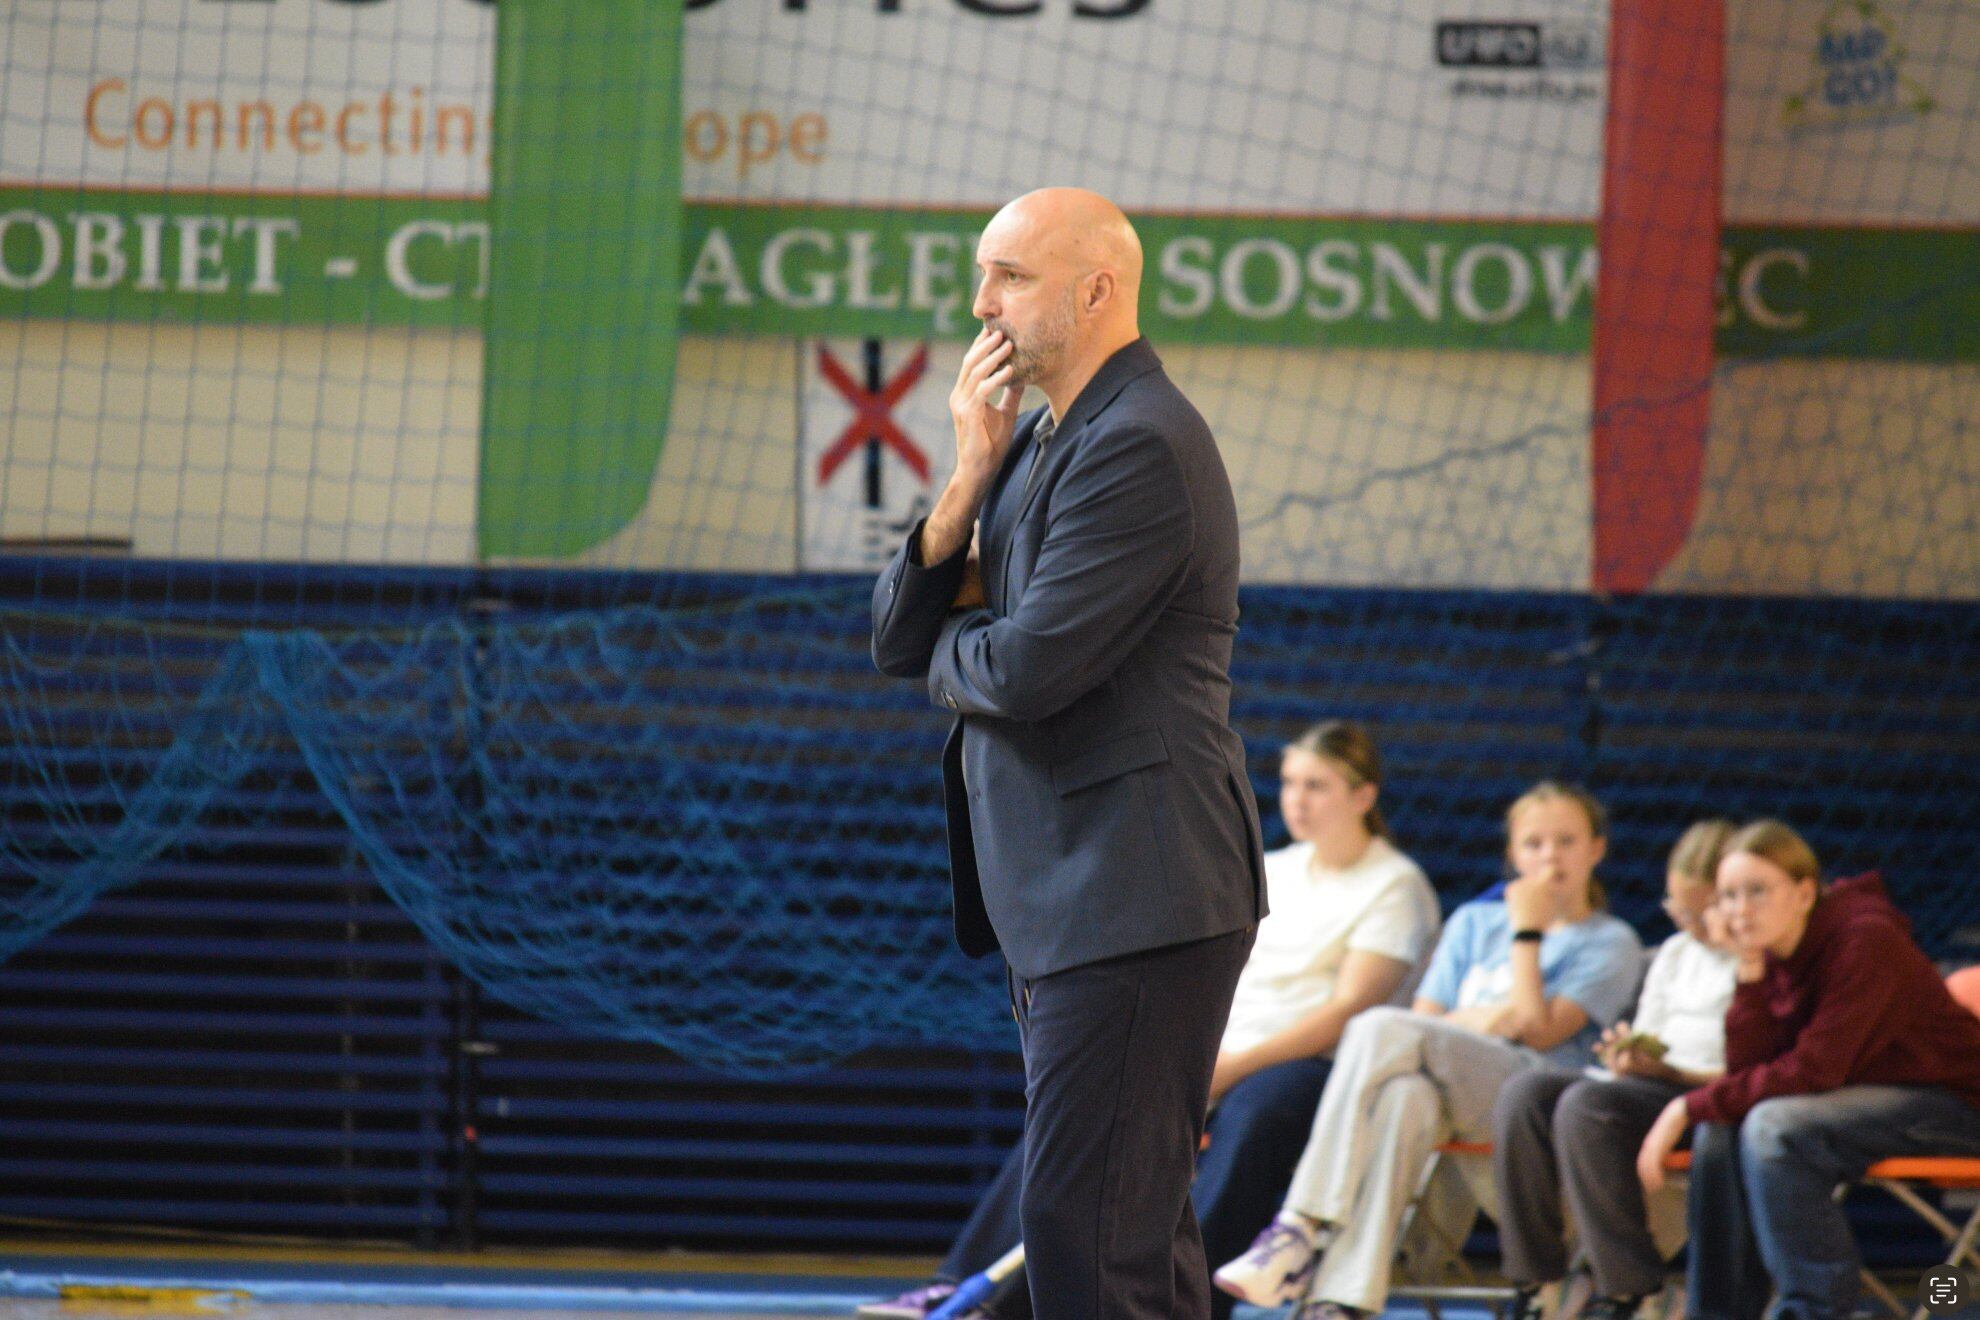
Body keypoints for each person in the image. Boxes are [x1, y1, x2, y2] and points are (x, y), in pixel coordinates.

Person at [869, 187, 1264, 1320]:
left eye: (1010, 276)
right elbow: (902, 635)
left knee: (1088, 1238)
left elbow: (1030, 673)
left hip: (1136, 893)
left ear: (1096, 290)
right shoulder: (1046, 441)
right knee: (1127, 1231)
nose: (979, 303)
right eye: (983, 274)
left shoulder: (1138, 445)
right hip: (1082, 896)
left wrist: (959, 630)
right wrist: (965, 480)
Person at [860, 721, 1442, 1320]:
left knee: (1254, 1115)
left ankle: (1189, 1300)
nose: (1296, 799)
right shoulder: (1277, 868)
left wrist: (1234, 1067)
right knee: (1075, 1112)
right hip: (1215, 1053)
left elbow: (1349, 1012)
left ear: (1364, 796)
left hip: (1309, 1071)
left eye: (1317, 785)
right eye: (1291, 782)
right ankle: (965, 1289)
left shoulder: (1394, 886)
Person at [1214, 782, 1645, 1320]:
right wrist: (1490, 1019)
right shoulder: (1472, 923)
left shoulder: (1609, 941)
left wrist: (1528, 932)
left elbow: (1537, 1030)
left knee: (1377, 1027)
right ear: (1512, 853)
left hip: (1529, 1106)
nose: (1550, 856)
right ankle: (1342, 1299)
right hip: (1448, 1090)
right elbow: (1421, 1026)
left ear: (1596, 850)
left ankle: (1303, 1223)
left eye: (1566, 841)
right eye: (1533, 844)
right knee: (1402, 1094)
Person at [1635, 820, 1980, 1320]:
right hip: (1874, 1104)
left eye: (1757, 891)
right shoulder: (1779, 949)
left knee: (1775, 1128)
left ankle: (1816, 1310)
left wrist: (1683, 1107)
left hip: (1957, 1103)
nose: (1741, 909)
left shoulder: (1865, 939)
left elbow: (1814, 1070)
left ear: (1803, 893)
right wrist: (1749, 971)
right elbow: (1752, 1072)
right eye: (1729, 896)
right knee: (1722, 1131)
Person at [1490, 819, 1741, 1320]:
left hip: (1706, 1095)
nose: (1687, 924)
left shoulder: (1758, 959)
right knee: (1525, 1093)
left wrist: (1668, 1072)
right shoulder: (1674, 952)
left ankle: (1633, 1288)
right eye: (1678, 910)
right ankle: (1539, 1281)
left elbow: (1755, 1067)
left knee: (1588, 1107)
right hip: (1654, 1086)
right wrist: (1628, 1055)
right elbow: (1650, 1031)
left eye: (1701, 911)